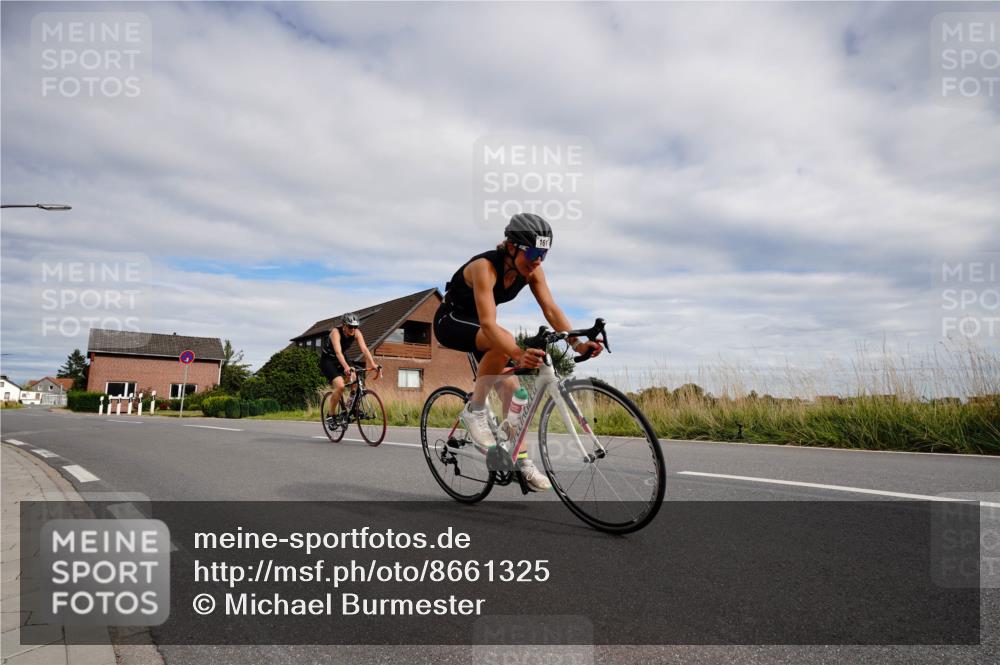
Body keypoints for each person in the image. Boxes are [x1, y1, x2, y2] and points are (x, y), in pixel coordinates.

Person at [433, 213, 603, 491]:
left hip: (481, 327)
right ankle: (474, 411)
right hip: (450, 320)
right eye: (534, 252)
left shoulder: (532, 271)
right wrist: (516, 352)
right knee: (505, 341)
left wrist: (577, 343)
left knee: (512, 391)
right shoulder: (484, 267)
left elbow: (551, 309)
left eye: (544, 254)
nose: (538, 260)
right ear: (511, 247)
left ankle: (521, 460)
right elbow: (488, 324)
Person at [320, 312, 379, 413]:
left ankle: (351, 406)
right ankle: (331, 414)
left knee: (355, 380)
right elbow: (338, 352)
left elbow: (364, 349)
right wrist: (346, 367)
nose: (353, 329)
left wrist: (373, 364)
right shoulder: (336, 332)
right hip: (328, 360)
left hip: (343, 356)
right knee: (340, 386)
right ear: (344, 326)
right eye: (350, 326)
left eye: (355, 327)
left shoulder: (356, 332)